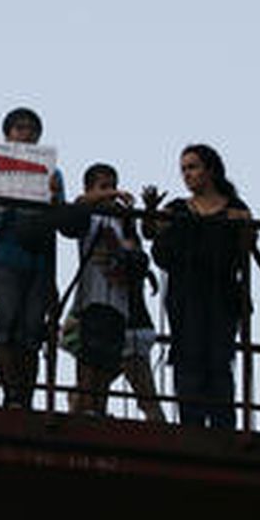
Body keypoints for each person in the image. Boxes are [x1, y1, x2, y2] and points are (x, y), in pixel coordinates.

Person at [143, 144, 251, 430]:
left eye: (193, 167)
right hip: (186, 293)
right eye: (184, 169)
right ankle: (191, 423)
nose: (187, 174)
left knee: (218, 357)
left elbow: (248, 245)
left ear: (210, 169)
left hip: (221, 292)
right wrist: (151, 211)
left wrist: (245, 226)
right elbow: (150, 231)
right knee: (188, 356)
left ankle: (222, 424)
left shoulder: (234, 209)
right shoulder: (178, 208)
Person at [68, 163, 165, 422]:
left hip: (121, 305)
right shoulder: (88, 214)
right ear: (90, 189)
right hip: (93, 299)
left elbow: (138, 252)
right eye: (103, 187)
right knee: (91, 360)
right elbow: (75, 209)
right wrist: (107, 197)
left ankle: (90, 407)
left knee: (108, 362)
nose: (111, 192)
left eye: (113, 185)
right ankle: (86, 408)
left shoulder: (124, 219)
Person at [0, 107, 64, 410]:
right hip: (4, 258)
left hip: (39, 263)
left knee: (31, 333)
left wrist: (55, 197)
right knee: (7, 328)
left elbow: (61, 221)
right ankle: (12, 395)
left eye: (30, 128)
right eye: (19, 128)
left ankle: (24, 397)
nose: (25, 133)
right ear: (7, 134)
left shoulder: (53, 173)